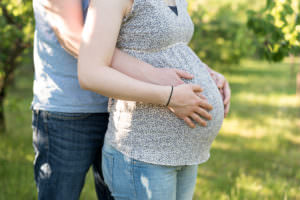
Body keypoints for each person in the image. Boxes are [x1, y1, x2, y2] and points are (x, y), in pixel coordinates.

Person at [32, 0, 230, 200]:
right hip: (70, 109)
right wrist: (158, 81)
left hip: (126, 105)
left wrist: (200, 71)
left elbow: (153, 41)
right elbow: (76, 40)